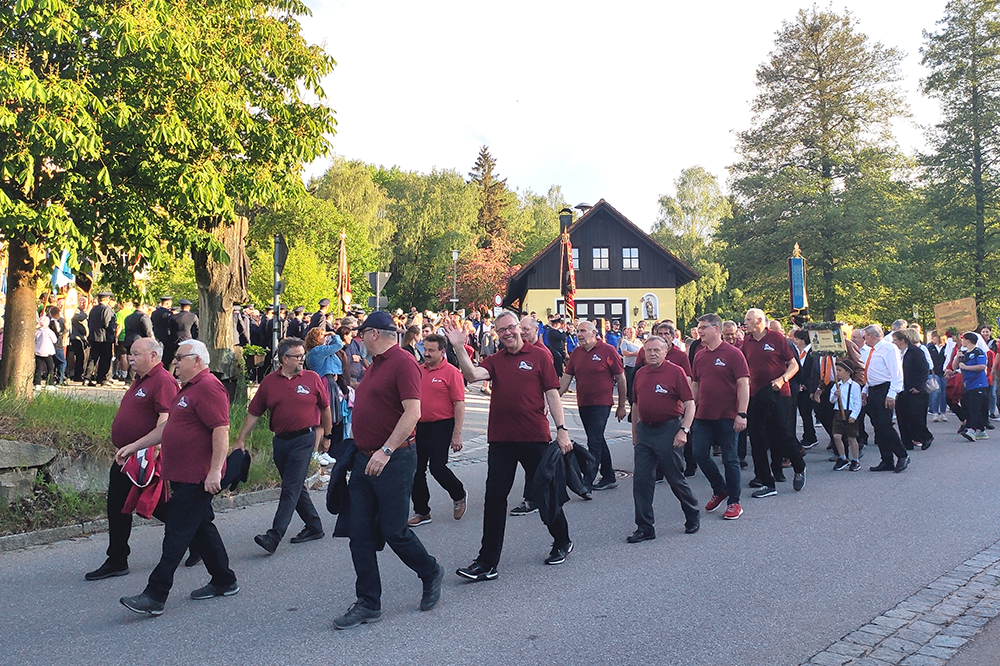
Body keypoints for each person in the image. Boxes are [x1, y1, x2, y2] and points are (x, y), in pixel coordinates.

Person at [333, 311, 442, 630]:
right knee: (359, 534)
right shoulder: (376, 364)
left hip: (393, 459)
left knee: (395, 530)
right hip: (364, 460)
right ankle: (368, 602)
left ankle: (430, 571)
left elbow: (413, 413)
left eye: (361, 333)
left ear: (374, 334)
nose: (358, 338)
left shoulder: (403, 362)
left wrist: (385, 450)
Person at [445, 311, 574, 580]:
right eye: (501, 330)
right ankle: (487, 563)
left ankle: (562, 540)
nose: (507, 333)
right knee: (494, 499)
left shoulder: (540, 356)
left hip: (535, 438)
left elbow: (552, 394)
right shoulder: (494, 360)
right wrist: (458, 346)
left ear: (520, 329)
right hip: (501, 440)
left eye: (511, 328)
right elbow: (471, 375)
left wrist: (562, 430)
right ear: (497, 333)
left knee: (544, 496)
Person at [119, 340, 238, 616]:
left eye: (179, 358)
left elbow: (221, 431)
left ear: (196, 360)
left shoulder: (209, 387)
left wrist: (214, 470)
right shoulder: (187, 390)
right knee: (202, 527)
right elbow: (168, 428)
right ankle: (224, 579)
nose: (174, 362)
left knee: (175, 535)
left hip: (197, 478)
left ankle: (155, 595)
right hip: (183, 476)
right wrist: (134, 446)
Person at [86, 337, 179, 581]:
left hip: (143, 456)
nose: (131, 358)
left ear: (154, 356)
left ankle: (198, 539)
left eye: (137, 354)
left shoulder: (163, 380)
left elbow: (166, 417)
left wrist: (155, 448)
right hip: (127, 456)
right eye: (130, 354)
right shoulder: (140, 379)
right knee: (117, 506)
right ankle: (117, 558)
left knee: (157, 506)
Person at [237, 337, 332, 554]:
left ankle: (274, 536)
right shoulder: (270, 382)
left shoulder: (312, 378)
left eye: (302, 355)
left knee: (290, 487)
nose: (301, 359)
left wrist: (327, 435)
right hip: (281, 441)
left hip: (304, 439)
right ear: (284, 359)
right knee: (294, 485)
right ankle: (314, 526)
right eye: (297, 356)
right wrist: (240, 438)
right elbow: (254, 413)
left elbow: (325, 408)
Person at [628, 335, 699, 541]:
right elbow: (635, 405)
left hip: (669, 430)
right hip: (645, 433)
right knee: (641, 481)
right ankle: (644, 527)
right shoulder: (640, 373)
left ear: (665, 351)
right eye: (648, 350)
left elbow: (690, 403)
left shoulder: (675, 372)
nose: (652, 354)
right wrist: (635, 434)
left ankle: (692, 513)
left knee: (675, 477)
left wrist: (684, 430)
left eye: (656, 350)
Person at [690, 314, 750, 521]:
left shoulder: (733, 354)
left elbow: (743, 384)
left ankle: (734, 501)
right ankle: (720, 488)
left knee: (730, 458)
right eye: (699, 328)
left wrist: (741, 413)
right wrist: (690, 408)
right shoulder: (699, 355)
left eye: (703, 327)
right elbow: (696, 384)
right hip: (703, 414)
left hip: (727, 414)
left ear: (716, 329)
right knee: (699, 454)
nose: (700, 331)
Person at [742, 308, 805, 498]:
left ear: (759, 320)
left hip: (778, 393)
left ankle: (799, 466)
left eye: (748, 319)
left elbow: (794, 365)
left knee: (782, 435)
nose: (745, 323)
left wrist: (782, 379)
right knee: (756, 437)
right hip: (756, 395)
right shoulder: (747, 342)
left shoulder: (777, 338)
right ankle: (766, 482)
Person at [559, 320, 628, 491]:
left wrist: (621, 405)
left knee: (594, 440)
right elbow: (566, 379)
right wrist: (551, 398)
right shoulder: (576, 353)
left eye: (583, 331)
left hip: (602, 403)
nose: (579, 334)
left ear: (593, 333)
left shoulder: (607, 350)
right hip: (584, 403)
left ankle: (587, 480)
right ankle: (609, 476)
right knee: (597, 438)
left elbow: (621, 378)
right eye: (577, 331)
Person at [408, 333, 467, 527]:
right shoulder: (418, 370)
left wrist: (456, 434)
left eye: (431, 350)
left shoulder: (451, 372)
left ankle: (458, 494)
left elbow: (459, 403)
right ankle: (422, 511)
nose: (427, 353)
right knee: (416, 470)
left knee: (437, 467)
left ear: (442, 352)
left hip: (442, 425)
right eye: (425, 349)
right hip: (419, 426)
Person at [863, 325, 909, 472]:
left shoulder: (888, 349)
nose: (864, 340)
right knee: (878, 427)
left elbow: (896, 372)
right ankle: (886, 459)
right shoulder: (870, 351)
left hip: (885, 388)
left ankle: (902, 454)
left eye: (865, 336)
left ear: (872, 336)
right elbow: (868, 371)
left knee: (885, 425)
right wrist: (865, 389)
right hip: (873, 389)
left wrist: (891, 394)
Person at [892, 329, 933, 450]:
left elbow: (924, 369)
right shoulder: (897, 352)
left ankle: (925, 437)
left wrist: (919, 387)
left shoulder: (915, 352)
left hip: (914, 389)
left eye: (895, 340)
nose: (894, 343)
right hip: (901, 389)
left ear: (902, 340)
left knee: (915, 416)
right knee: (902, 416)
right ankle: (906, 441)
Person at [956, 331, 990, 441]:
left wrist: (966, 368)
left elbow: (982, 366)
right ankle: (981, 430)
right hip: (969, 385)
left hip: (978, 384)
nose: (962, 341)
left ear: (968, 340)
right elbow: (954, 366)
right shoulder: (965, 353)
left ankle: (971, 429)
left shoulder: (978, 352)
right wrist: (957, 357)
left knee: (975, 408)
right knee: (970, 406)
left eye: (963, 339)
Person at [830, 360, 863, 471]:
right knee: (836, 436)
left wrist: (854, 415)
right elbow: (831, 400)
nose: (837, 373)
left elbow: (857, 403)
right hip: (838, 412)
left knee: (851, 437)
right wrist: (835, 395)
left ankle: (855, 459)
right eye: (836, 370)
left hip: (849, 412)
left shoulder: (854, 386)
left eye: (839, 370)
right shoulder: (836, 385)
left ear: (848, 372)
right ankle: (843, 457)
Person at [87, 291, 117, 386]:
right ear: (107, 299)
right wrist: (112, 334)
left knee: (93, 358)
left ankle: (87, 377)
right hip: (104, 338)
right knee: (105, 358)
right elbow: (107, 323)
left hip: (94, 336)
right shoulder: (106, 309)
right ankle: (102, 379)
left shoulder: (93, 309)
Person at [927, 330, 949, 422]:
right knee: (936, 391)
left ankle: (943, 412)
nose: (932, 339)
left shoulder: (947, 347)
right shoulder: (929, 347)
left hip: (944, 372)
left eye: (934, 337)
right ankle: (935, 412)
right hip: (933, 372)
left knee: (944, 392)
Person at [33, 315, 58, 390]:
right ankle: (49, 383)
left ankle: (37, 383)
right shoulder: (50, 332)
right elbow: (55, 340)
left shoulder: (37, 332)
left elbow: (35, 340)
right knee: (50, 368)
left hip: (38, 352)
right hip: (48, 352)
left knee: (38, 368)